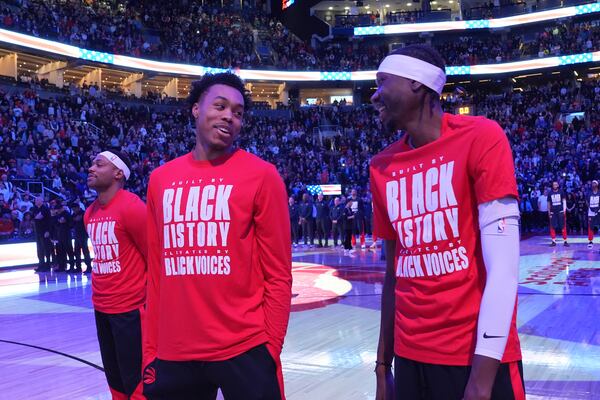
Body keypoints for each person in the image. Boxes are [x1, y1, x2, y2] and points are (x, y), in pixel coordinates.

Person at [369, 44, 524, 400]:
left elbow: (504, 270)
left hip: (473, 355)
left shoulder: (481, 137)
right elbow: (392, 274)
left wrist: (482, 380)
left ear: (415, 83)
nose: (374, 95)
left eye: (382, 82)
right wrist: (383, 367)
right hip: (409, 357)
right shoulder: (380, 166)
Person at [143, 73, 292, 400]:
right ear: (196, 109)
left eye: (238, 112)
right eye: (220, 106)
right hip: (174, 351)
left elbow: (279, 274)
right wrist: (150, 349)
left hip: (245, 346)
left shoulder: (262, 176)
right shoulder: (160, 180)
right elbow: (156, 273)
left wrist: (271, 349)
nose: (229, 116)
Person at [85, 150, 147, 400]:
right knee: (115, 378)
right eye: (92, 164)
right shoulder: (89, 213)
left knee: (136, 380)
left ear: (118, 173)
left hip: (131, 309)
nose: (91, 168)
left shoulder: (132, 207)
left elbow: (153, 257)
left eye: (99, 164)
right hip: (101, 307)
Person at [31, 196, 52, 272]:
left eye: (37, 200)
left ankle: (48, 265)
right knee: (39, 249)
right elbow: (34, 218)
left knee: (46, 249)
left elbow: (48, 221)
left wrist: (48, 231)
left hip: (44, 231)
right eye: (35, 200)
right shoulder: (35, 209)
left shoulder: (45, 209)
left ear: (41, 201)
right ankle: (41, 265)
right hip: (38, 231)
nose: (36, 201)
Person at [548, 181, 569, 246]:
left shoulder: (561, 192)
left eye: (556, 184)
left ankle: (565, 241)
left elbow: (564, 201)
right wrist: (549, 211)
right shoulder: (550, 193)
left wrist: (564, 210)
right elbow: (548, 203)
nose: (555, 185)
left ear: (558, 185)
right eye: (554, 184)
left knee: (563, 226)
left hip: (560, 211)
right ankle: (553, 241)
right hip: (553, 212)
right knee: (552, 226)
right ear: (552, 185)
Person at [587, 180, 600, 249]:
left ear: (597, 185)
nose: (593, 184)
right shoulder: (589, 193)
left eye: (594, 183)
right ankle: (590, 241)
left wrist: (598, 209)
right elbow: (587, 201)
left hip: (598, 211)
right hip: (591, 212)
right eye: (592, 183)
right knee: (590, 226)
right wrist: (590, 208)